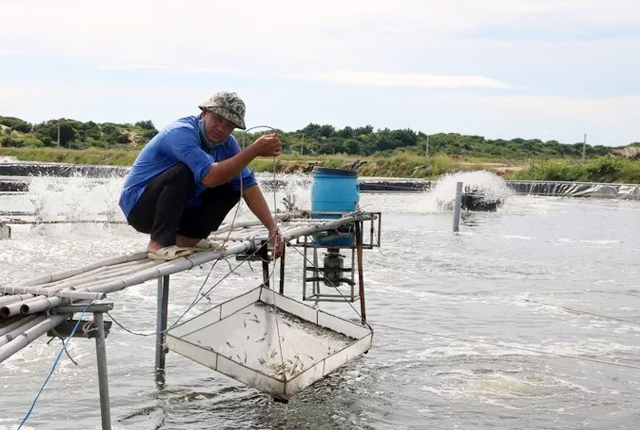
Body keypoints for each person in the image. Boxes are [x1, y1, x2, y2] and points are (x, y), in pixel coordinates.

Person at [119, 91, 285, 261]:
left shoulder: (228, 144)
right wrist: (254, 150)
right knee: (183, 172)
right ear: (204, 113)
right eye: (217, 119)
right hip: (140, 208)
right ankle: (158, 244)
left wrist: (273, 229)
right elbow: (210, 177)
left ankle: (188, 238)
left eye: (228, 125)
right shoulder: (181, 133)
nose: (221, 128)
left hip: (178, 209)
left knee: (234, 184)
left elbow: (248, 185)